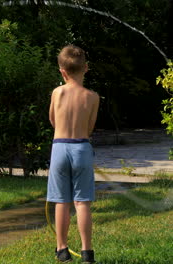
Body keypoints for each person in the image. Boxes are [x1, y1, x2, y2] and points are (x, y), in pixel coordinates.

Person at [47, 45, 99, 263]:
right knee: (82, 202)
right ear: (86, 68)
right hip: (81, 147)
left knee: (62, 201)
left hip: (59, 147)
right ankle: (87, 252)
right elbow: (90, 127)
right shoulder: (92, 96)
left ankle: (62, 249)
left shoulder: (57, 93)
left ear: (62, 71)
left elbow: (52, 119)